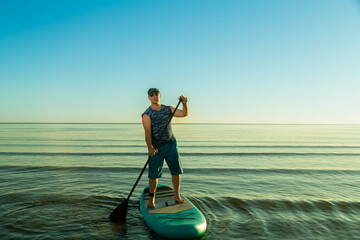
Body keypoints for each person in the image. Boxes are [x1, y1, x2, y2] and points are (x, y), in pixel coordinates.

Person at [142, 88, 188, 208]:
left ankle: (177, 196)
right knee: (154, 174)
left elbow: (184, 114)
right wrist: (150, 147)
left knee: (176, 170)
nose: (154, 96)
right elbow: (147, 133)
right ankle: (152, 200)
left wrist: (184, 103)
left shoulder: (168, 109)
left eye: (156, 94)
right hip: (156, 147)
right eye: (151, 95)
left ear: (160, 95)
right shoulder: (147, 114)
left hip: (171, 143)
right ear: (149, 98)